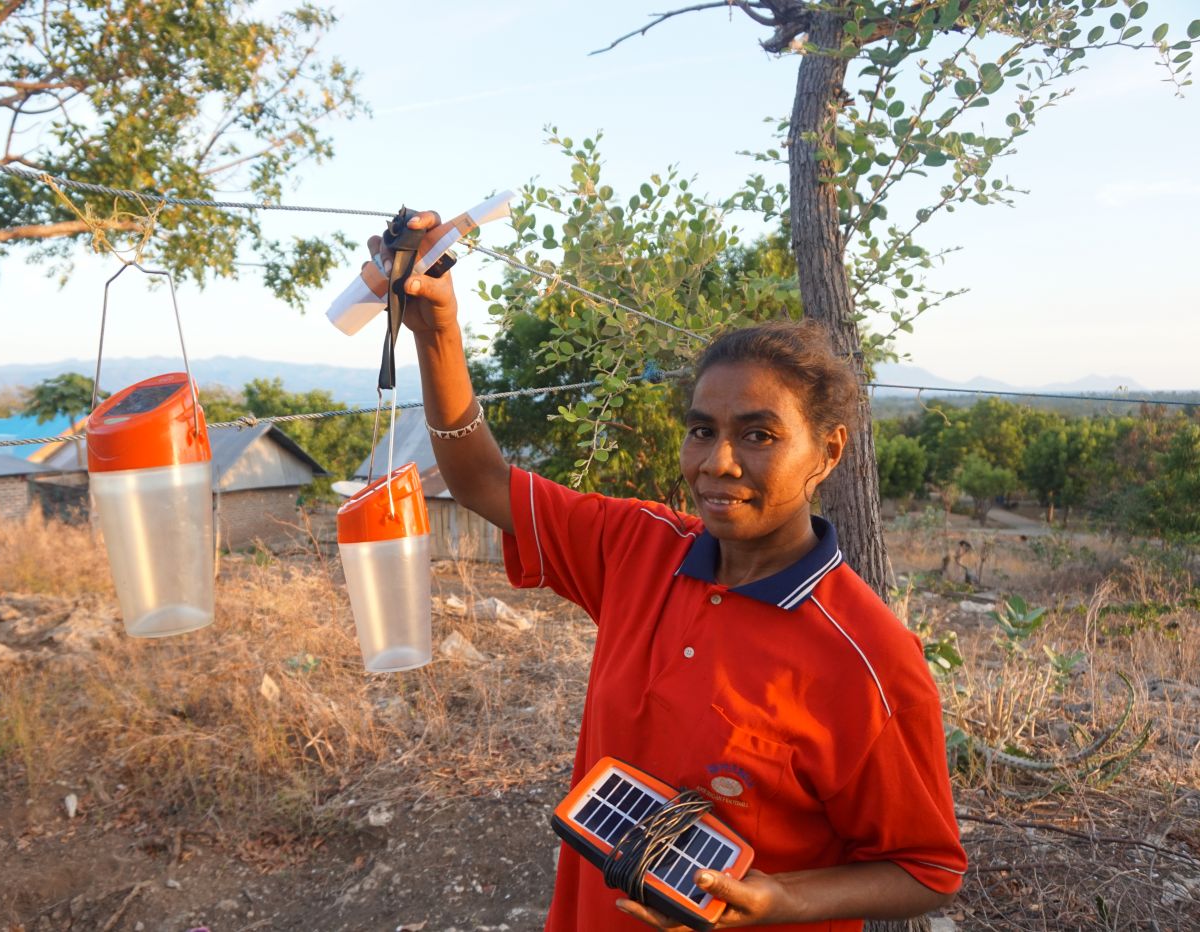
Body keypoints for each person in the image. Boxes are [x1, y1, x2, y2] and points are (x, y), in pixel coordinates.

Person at [378, 212, 966, 931]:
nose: (718, 462)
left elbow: (927, 870)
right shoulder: (639, 550)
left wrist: (782, 902)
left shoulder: (869, 661)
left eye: (759, 435)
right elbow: (482, 482)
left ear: (829, 451)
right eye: (702, 431)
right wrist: (436, 330)